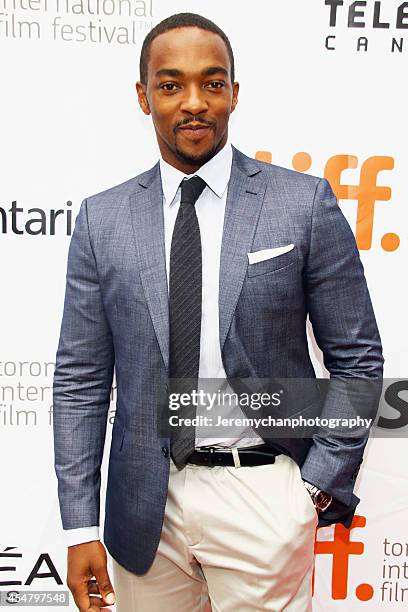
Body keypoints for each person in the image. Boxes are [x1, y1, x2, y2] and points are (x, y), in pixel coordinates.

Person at [52, 12, 384, 612]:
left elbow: (358, 361)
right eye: (171, 84)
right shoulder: (103, 220)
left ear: (235, 91)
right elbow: (80, 383)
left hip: (264, 496)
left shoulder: (301, 203)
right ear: (143, 96)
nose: (194, 103)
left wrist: (309, 490)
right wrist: (80, 530)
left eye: (212, 82)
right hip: (142, 508)